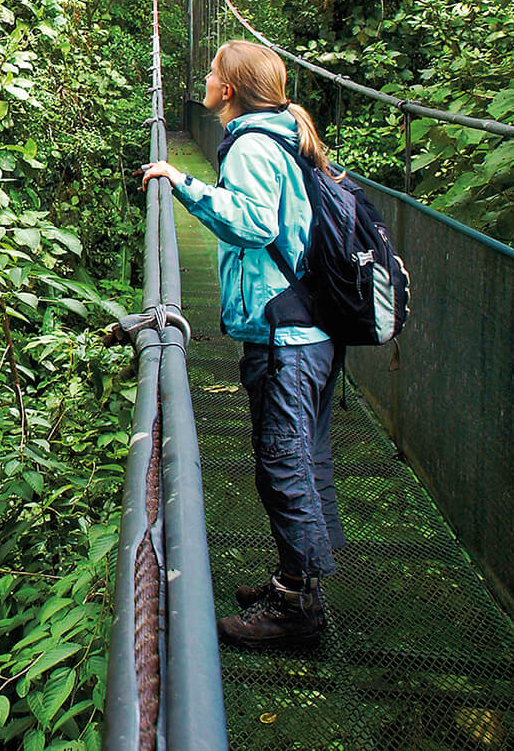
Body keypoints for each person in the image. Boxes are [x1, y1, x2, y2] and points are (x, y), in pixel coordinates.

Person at [139, 39, 344, 646]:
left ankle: (299, 610)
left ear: (228, 89)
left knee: (283, 465)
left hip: (288, 336)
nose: (203, 78)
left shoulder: (253, 145)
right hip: (309, 329)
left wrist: (182, 183)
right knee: (301, 460)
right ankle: (294, 580)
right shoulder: (285, 133)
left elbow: (254, 223)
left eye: (210, 72)